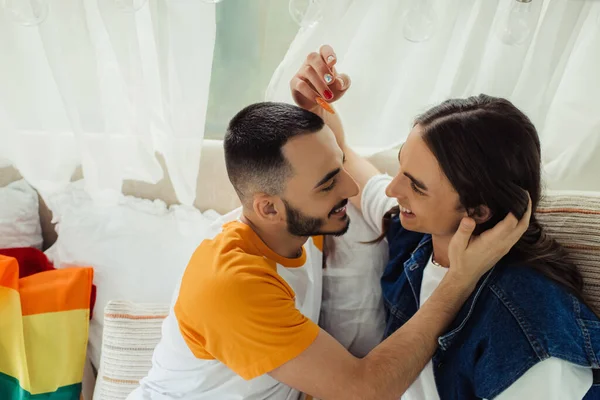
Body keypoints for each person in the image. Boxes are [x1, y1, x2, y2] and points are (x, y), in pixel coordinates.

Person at [127, 95, 530, 398]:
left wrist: (319, 115)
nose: (350, 189)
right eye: (328, 183)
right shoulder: (231, 285)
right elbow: (365, 391)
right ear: (269, 207)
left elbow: (373, 190)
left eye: (339, 168)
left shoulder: (300, 223)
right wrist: (459, 280)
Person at [290, 45, 600, 399]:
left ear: (478, 212)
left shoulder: (529, 329)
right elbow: (345, 156)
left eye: (417, 187)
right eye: (402, 169)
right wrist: (315, 106)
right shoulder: (418, 236)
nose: (393, 188)